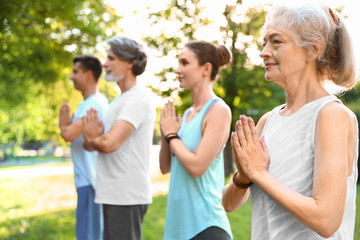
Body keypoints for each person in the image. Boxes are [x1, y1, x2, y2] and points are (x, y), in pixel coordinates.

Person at [222, 1, 359, 239]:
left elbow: (326, 220)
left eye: (276, 41)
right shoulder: (268, 120)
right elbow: (229, 204)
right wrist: (244, 176)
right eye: (264, 42)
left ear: (313, 49)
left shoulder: (331, 115)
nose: (264, 51)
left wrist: (258, 173)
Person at [82, 36, 156, 240]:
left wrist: (92, 138)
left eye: (111, 58)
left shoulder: (138, 98)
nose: (104, 64)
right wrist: (92, 139)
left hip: (127, 195)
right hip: (113, 194)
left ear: (129, 63)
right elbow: (93, 144)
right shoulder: (120, 100)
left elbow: (108, 144)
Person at [160, 40, 233, 240]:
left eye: (184, 63)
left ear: (205, 69)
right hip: (178, 228)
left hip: (205, 227)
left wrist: (171, 135)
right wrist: (164, 131)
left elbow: (196, 167)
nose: (177, 69)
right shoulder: (185, 115)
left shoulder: (218, 110)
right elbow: (165, 166)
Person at [59, 55, 108, 240]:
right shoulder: (87, 104)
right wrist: (66, 126)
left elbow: (69, 134)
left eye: (75, 72)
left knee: (89, 236)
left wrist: (64, 124)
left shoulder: (94, 104)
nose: (71, 77)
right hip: (87, 181)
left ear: (88, 75)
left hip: (91, 181)